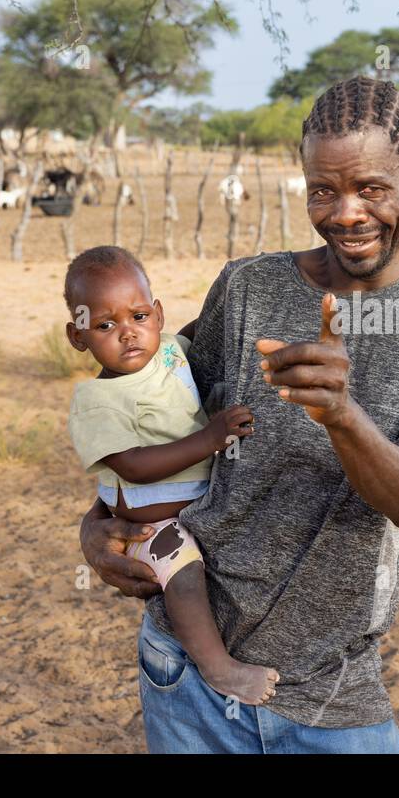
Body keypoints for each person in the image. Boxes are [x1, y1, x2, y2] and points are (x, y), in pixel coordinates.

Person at [81, 75, 399, 753]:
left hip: (334, 691)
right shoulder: (248, 286)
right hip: (187, 671)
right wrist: (96, 524)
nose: (346, 213)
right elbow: (145, 406)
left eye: (372, 188)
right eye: (323, 191)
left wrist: (341, 413)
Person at [64, 245, 278, 705]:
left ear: (158, 314)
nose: (128, 334)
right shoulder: (96, 402)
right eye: (105, 325)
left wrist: (250, 285)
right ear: (77, 336)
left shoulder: (170, 353)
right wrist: (210, 439)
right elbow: (133, 465)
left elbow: (206, 327)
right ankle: (218, 667)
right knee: (184, 577)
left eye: (139, 316)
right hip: (152, 526)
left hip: (198, 508)